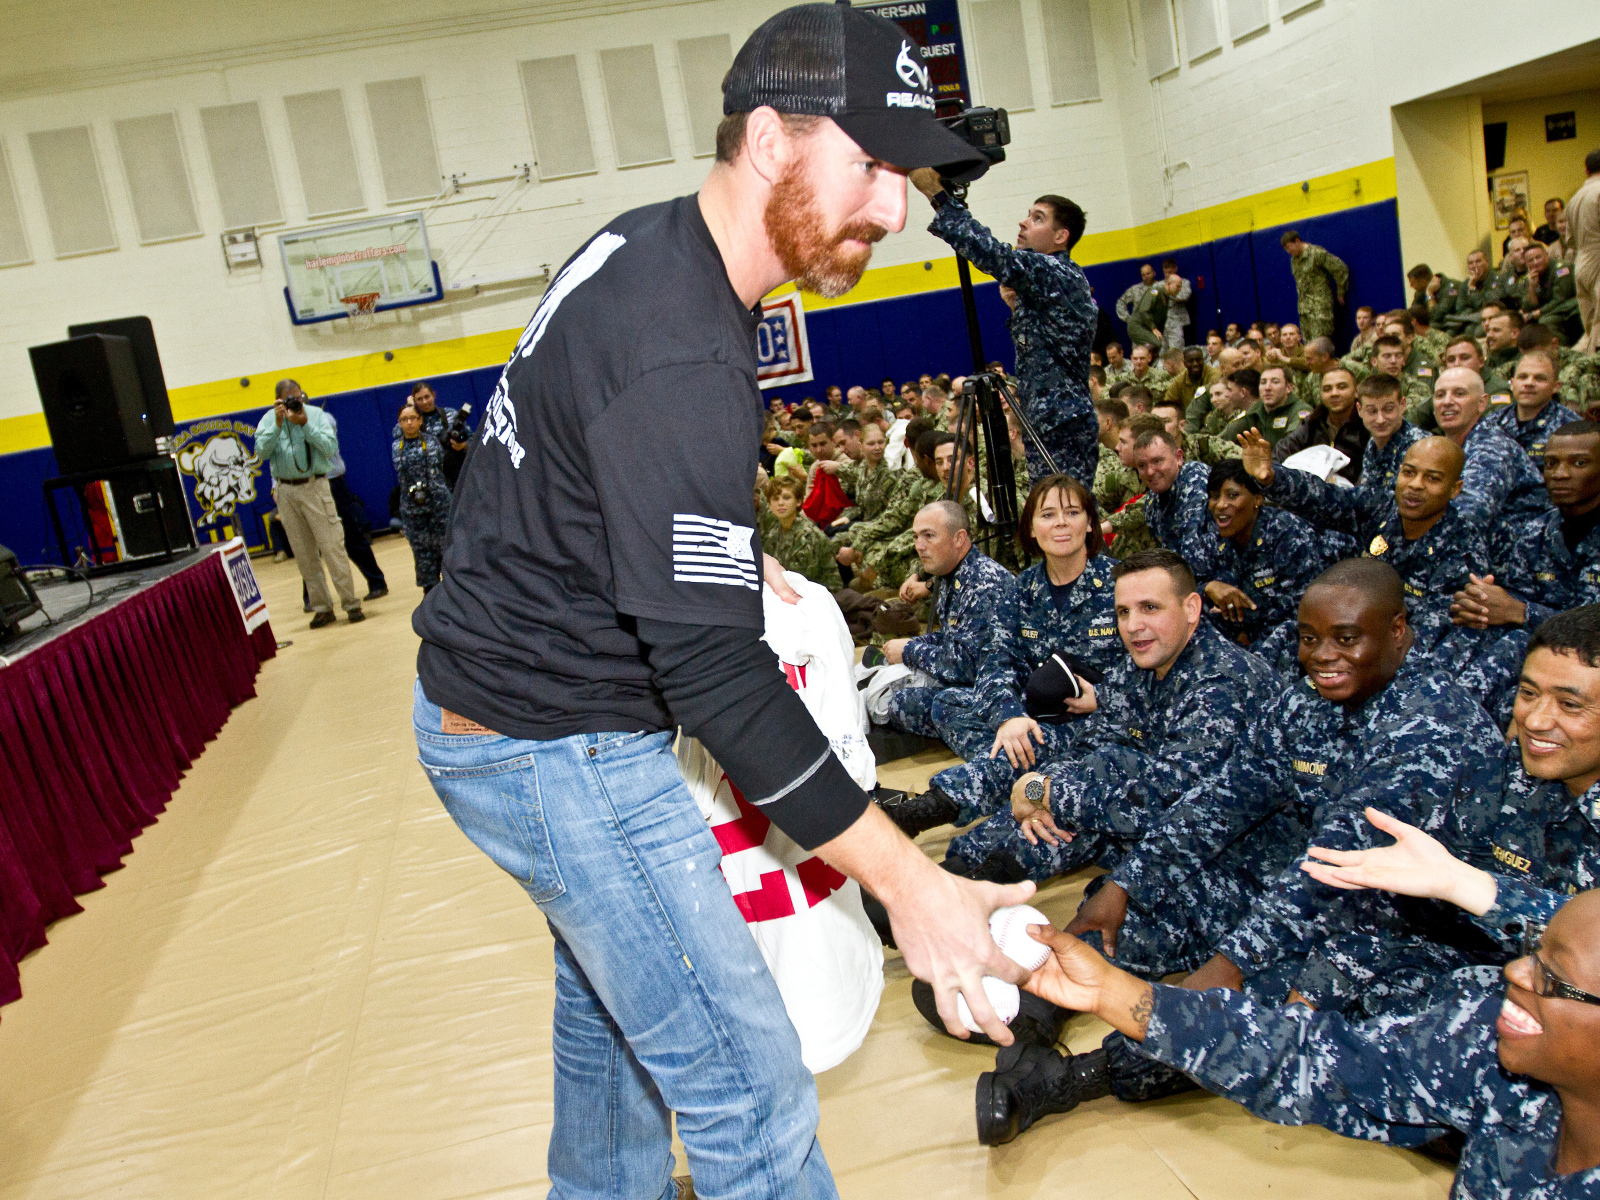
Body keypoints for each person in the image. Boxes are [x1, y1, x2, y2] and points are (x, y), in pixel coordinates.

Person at [409, 9, 1042, 1197]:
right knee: (751, 1096)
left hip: (493, 711)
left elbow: (568, 482)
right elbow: (714, 675)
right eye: (871, 165)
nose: (894, 209)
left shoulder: (640, 245)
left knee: (615, 1061)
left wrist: (721, 563)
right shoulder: (685, 354)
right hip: (557, 746)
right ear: (769, 140)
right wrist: (913, 887)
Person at [981, 559, 1505, 1144]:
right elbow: (1223, 799)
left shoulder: (1429, 728)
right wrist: (1125, 885)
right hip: (1299, 882)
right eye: (1310, 639)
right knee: (1138, 912)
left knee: (1258, 1009)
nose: (1323, 656)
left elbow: (1331, 872)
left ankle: (1074, 1076)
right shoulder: (1308, 702)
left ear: (1399, 631)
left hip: (1402, 932)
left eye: (1347, 638)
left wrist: (1225, 970)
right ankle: (1041, 1002)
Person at [1016, 889, 1600, 1197]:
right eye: (1532, 955)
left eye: (1553, 978)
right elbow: (1309, 1061)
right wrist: (1115, 993)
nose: (1516, 975)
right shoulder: (1488, 1049)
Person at [905, 549, 1276, 889]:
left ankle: (974, 886)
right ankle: (956, 868)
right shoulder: (1147, 661)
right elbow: (1091, 745)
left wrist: (1043, 792)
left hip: (1235, 861)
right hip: (1150, 821)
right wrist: (1036, 787)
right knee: (1083, 764)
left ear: (1192, 608)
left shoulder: (1222, 684)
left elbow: (1161, 802)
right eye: (1123, 612)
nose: (1132, 626)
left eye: (1150, 608)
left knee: (1102, 780)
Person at [914, 475, 1119, 767]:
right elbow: (996, 661)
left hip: (1098, 720)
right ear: (1032, 529)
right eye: (1048, 515)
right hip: (1034, 713)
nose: (1061, 522)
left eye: (1072, 513)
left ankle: (1012, 772)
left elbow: (1161, 665)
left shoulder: (1121, 583)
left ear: (1089, 523)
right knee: (948, 703)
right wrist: (1008, 717)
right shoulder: (1022, 588)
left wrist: (1107, 696)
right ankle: (1021, 765)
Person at [910, 173, 1097, 488]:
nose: (1023, 223)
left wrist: (938, 196)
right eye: (1027, 214)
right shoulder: (1045, 283)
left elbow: (996, 255)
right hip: (1045, 423)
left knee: (1067, 513)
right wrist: (1018, 307)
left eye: (1037, 218)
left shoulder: (1058, 271)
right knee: (1055, 515)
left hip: (1062, 424)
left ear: (1061, 236)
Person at [1240, 430, 1486, 652]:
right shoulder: (1381, 506)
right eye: (1408, 473)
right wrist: (1272, 477)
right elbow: (1324, 498)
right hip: (1350, 630)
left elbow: (1432, 634)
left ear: (1455, 489)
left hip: (1396, 655)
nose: (1415, 485)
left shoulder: (1462, 546)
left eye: (1432, 479)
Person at [878, 500, 1017, 741]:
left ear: (959, 539)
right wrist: (914, 641)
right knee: (895, 693)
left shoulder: (983, 584)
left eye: (929, 536)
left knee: (905, 703)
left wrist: (910, 650)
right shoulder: (951, 576)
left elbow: (967, 665)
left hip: (1000, 689)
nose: (919, 546)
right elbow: (952, 637)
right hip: (972, 678)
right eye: (916, 537)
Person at [256, 380, 364, 628]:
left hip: (314, 486)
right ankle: (322, 608)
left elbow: (330, 448)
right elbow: (261, 452)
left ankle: (351, 603)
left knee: (332, 548)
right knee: (304, 554)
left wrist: (304, 425)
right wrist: (278, 424)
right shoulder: (268, 420)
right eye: (289, 400)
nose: (296, 403)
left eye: (299, 397)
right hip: (286, 491)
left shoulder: (316, 415)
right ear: (278, 401)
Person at [1201, 459, 1328, 657]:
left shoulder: (1287, 533)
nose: (1220, 505)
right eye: (1215, 497)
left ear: (1257, 499)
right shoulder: (1217, 538)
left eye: (1232, 495)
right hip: (1252, 631)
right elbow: (1187, 590)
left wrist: (1248, 645)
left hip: (1306, 631)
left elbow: (1300, 613)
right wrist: (1209, 588)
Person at [1131, 426, 1216, 580]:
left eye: (1157, 461)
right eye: (1142, 466)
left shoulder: (1194, 477)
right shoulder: (1152, 502)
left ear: (1178, 457)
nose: (1150, 471)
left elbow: (1195, 560)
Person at [393, 401, 452, 592]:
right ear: (399, 423)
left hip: (438, 506)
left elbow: (442, 465)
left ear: (420, 420)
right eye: (404, 419)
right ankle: (431, 594)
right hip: (413, 511)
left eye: (413, 418)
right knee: (422, 555)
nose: (409, 423)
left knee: (446, 551)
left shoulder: (432, 441)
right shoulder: (397, 446)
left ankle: (454, 591)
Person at [1272, 364, 1367, 483]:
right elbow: (1281, 453)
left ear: (1356, 392)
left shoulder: (1367, 423)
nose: (1334, 393)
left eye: (1342, 387)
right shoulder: (1312, 422)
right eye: (1327, 389)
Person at [1482, 351, 1581, 463]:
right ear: (1512, 384)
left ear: (1556, 386)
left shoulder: (1571, 427)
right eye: (1523, 377)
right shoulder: (1492, 423)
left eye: (1539, 378)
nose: (1529, 383)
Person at [760, 475, 844, 594]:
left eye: (786, 498)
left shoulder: (808, 535)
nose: (780, 503)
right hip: (787, 590)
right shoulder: (773, 532)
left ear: (798, 501)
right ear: (769, 504)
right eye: (775, 499)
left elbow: (804, 579)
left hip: (821, 594)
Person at [1354, 374, 1425, 492]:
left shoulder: (1419, 447)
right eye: (1372, 411)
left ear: (1402, 405)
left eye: (1388, 409)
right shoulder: (1373, 442)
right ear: (1360, 410)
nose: (1380, 420)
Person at [1221, 364, 1311, 448]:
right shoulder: (1257, 410)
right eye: (1263, 382)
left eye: (1275, 382)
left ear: (1289, 388)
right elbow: (1226, 435)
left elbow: (1292, 445)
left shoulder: (1300, 410)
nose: (1267, 388)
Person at [1281, 230, 1349, 340]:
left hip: (1319, 307)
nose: (1288, 251)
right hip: (1304, 308)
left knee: (1320, 342)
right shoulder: (1294, 259)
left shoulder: (1316, 253)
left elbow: (1340, 268)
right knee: (1309, 346)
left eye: (1289, 247)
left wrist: (1341, 291)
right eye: (1286, 249)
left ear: (1297, 241)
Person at [1520, 240, 1584, 346]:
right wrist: (1532, 287)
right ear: (1526, 263)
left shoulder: (1562, 269)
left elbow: (1561, 299)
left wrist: (1539, 312)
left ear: (1546, 255)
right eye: (1531, 260)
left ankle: (1563, 351)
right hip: (1550, 311)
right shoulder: (1528, 278)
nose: (1535, 262)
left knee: (1546, 322)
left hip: (1569, 308)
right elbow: (1528, 308)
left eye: (1538, 257)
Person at [1569, 148, 1600, 352]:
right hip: (1599, 259)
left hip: (1581, 262)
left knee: (1591, 328)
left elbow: (1569, 240)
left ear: (1586, 170)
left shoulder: (1574, 199)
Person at [1115, 264, 1169, 349]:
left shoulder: (1161, 286)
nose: (1146, 276)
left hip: (1157, 327)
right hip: (1140, 328)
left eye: (1148, 273)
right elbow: (1121, 302)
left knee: (1161, 350)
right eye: (1143, 275)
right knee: (1139, 354)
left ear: (1154, 273)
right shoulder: (1135, 289)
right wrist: (1128, 318)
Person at [1160, 259, 1192, 348]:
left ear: (1175, 269)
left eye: (1170, 272)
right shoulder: (1158, 285)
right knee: (1163, 350)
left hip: (1177, 321)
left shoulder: (1183, 283)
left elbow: (1184, 296)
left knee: (1176, 348)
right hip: (1162, 322)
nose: (1167, 275)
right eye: (1165, 273)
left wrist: (1167, 291)